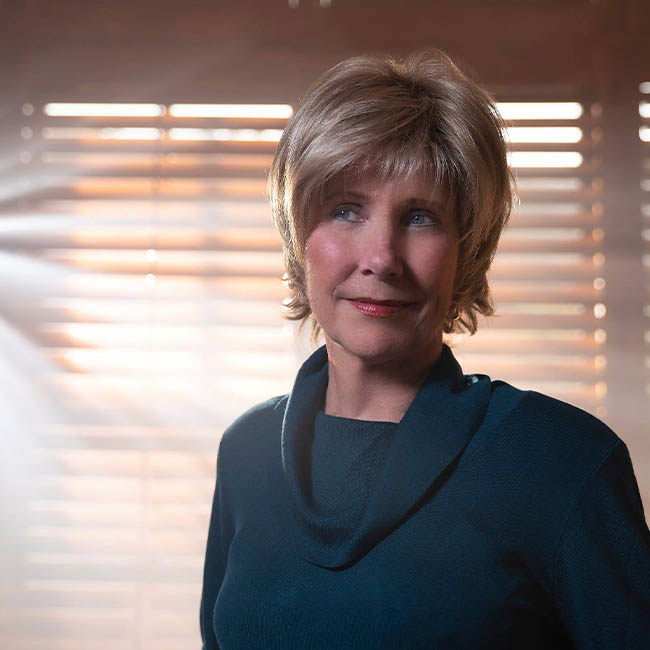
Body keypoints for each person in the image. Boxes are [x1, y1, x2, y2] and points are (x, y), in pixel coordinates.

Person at [200, 51, 650, 649]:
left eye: (419, 217)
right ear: (297, 234)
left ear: (468, 247)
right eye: (344, 210)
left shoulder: (562, 463)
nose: (381, 257)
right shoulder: (246, 452)